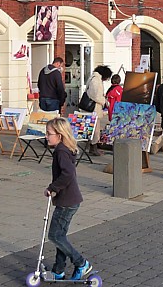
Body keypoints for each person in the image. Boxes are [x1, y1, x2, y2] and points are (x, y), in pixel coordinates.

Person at [43, 118, 93, 281]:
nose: (46, 136)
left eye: (49, 133)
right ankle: (58, 270)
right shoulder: (64, 148)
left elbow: (68, 174)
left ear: (59, 135)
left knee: (55, 236)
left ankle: (80, 262)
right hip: (69, 200)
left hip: (67, 201)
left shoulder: (61, 151)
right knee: (60, 235)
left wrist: (52, 188)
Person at [85, 65, 112, 156]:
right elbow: (95, 95)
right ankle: (93, 148)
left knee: (92, 128)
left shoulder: (94, 78)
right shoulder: (96, 80)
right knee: (95, 129)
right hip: (94, 109)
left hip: (94, 109)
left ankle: (91, 147)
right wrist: (104, 102)